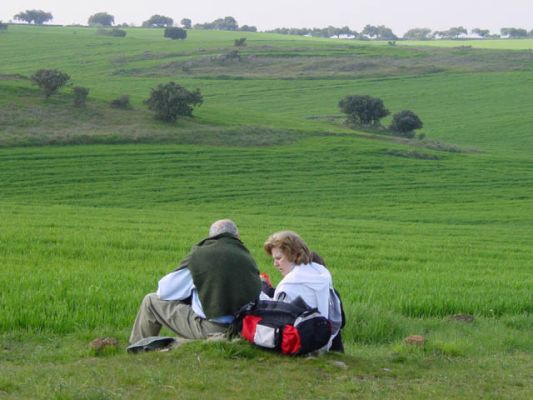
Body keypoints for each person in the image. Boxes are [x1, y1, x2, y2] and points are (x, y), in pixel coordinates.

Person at [129, 219, 261, 344]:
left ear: (211, 237)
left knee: (150, 301)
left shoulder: (201, 256)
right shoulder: (246, 256)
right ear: (237, 236)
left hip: (213, 329)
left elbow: (164, 290)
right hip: (244, 328)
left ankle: (137, 349)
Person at [261, 231, 344, 351]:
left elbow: (278, 320)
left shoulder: (289, 284)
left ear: (293, 254)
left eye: (278, 258)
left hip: (300, 343)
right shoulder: (319, 271)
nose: (275, 264)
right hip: (322, 339)